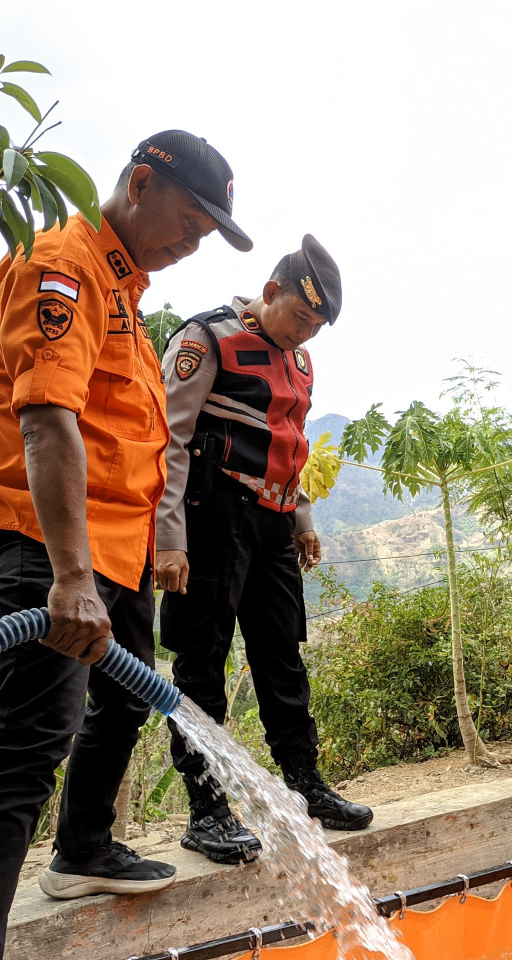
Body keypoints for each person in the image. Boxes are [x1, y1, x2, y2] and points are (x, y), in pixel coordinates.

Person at [0, 130, 252, 960]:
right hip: (41, 542)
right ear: (140, 184)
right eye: (189, 223)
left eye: (205, 236)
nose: (191, 245)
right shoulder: (61, 265)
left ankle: (83, 850)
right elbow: (47, 422)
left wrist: (137, 557)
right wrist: (69, 577)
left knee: (127, 697)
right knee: (27, 746)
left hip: (111, 552)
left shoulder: (122, 291)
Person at [155, 234, 373, 865]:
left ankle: (305, 786)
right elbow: (168, 440)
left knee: (282, 656)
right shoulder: (206, 339)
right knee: (202, 662)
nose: (306, 333)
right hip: (211, 517)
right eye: (300, 317)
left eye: (317, 326)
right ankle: (207, 808)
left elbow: (291, 443)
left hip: (274, 525)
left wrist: (302, 517)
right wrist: (169, 540)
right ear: (270, 291)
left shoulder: (300, 362)